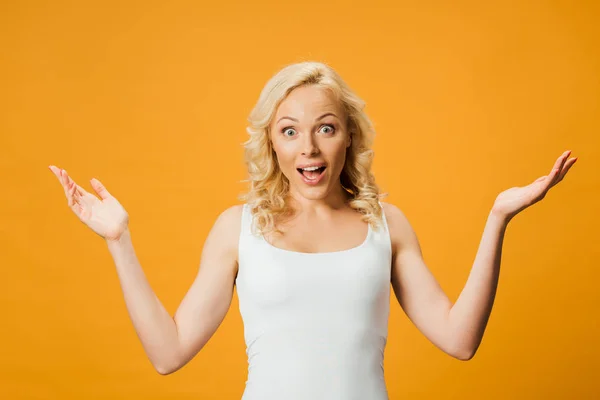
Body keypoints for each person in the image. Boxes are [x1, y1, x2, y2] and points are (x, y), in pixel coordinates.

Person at [49, 61, 577, 399]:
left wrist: (497, 219)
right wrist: (119, 241)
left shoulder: (385, 227)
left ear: (348, 136)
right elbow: (169, 353)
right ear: (272, 145)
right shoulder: (238, 229)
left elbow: (460, 341)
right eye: (289, 131)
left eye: (325, 127)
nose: (309, 148)